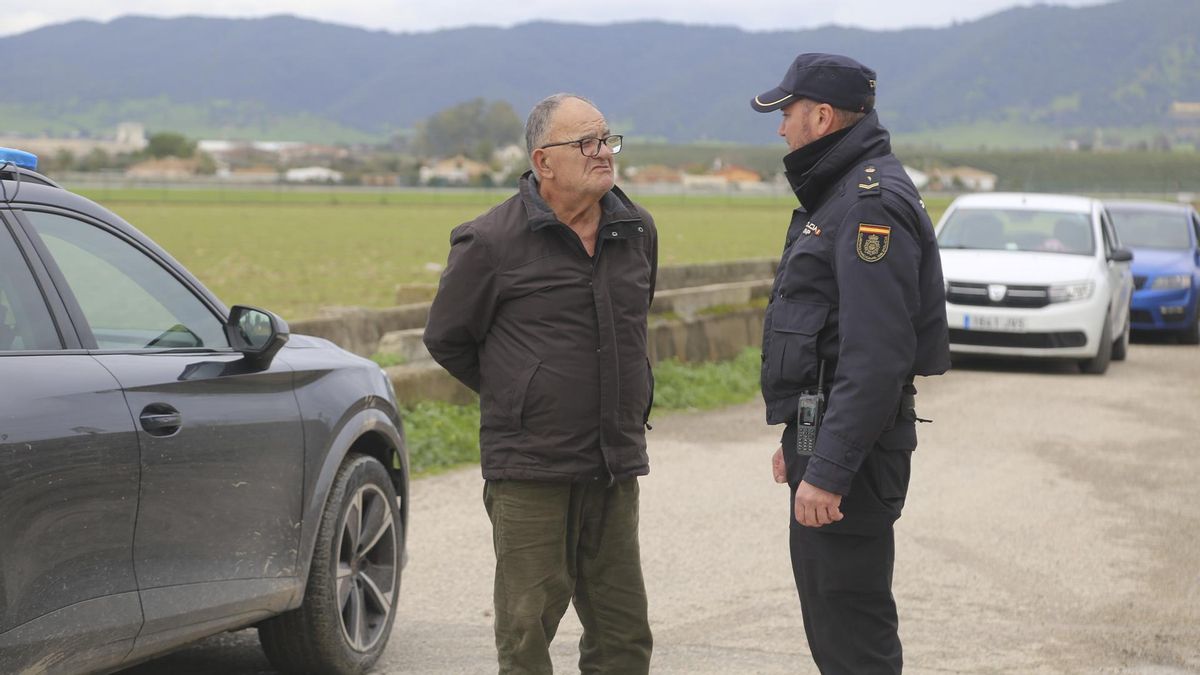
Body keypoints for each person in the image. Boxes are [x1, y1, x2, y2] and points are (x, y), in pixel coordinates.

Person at [423, 93, 657, 675]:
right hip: (529, 468)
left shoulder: (636, 230)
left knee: (624, 637)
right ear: (543, 161)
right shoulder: (490, 242)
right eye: (586, 143)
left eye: (607, 140)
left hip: (614, 461)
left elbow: (634, 326)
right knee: (526, 633)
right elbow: (447, 338)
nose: (603, 153)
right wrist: (520, 393)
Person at [750, 53, 950, 673]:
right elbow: (829, 345)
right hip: (834, 437)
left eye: (787, 112)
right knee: (834, 622)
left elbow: (875, 356)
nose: (781, 127)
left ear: (822, 115)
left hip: (854, 460)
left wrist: (830, 468)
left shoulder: (868, 203)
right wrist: (799, 436)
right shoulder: (841, 191)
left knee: (852, 635)